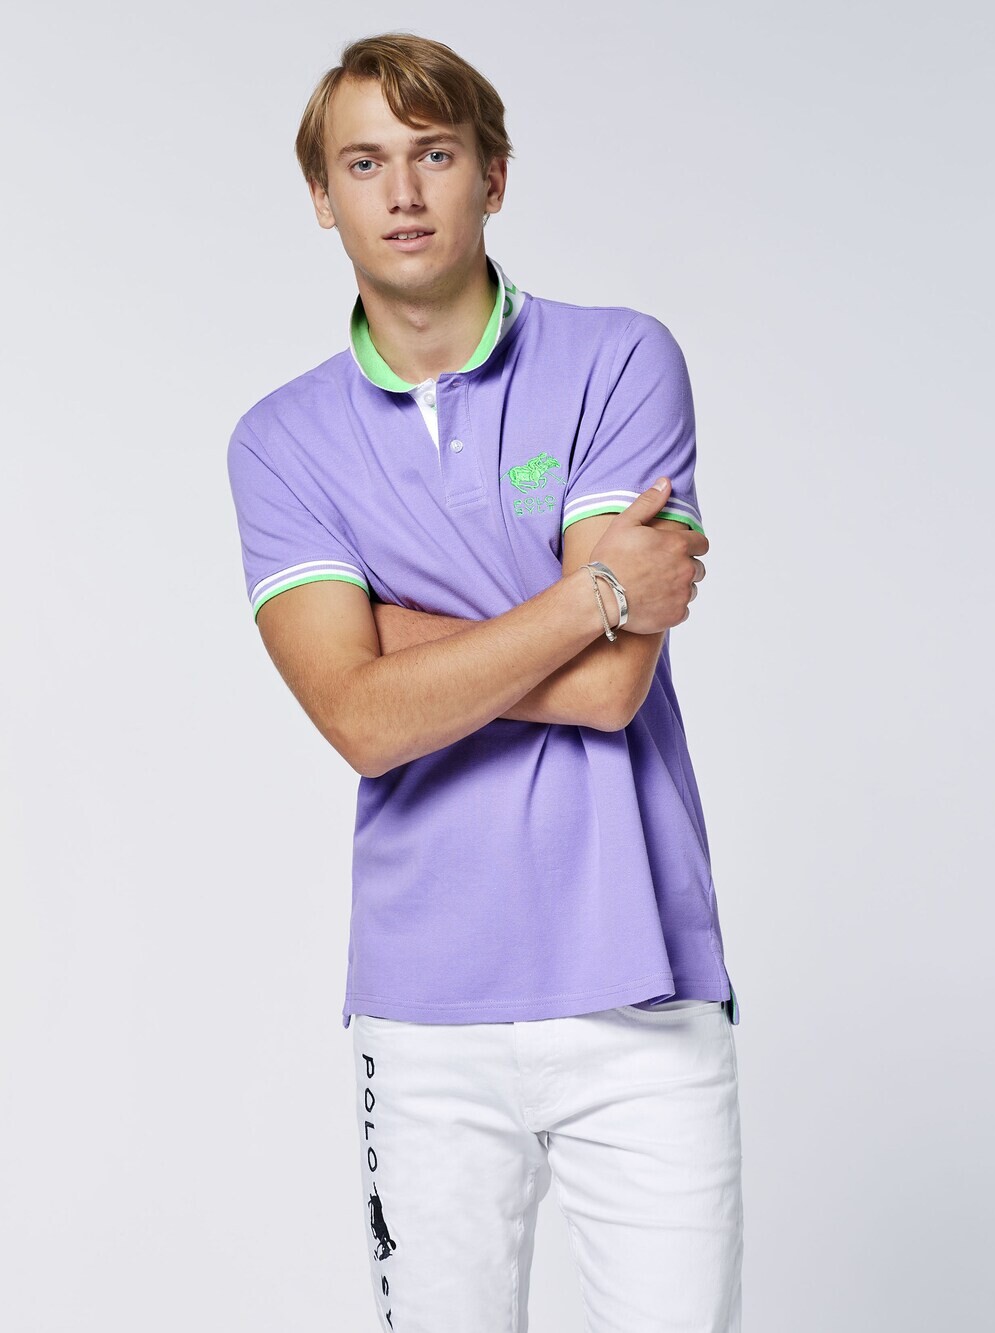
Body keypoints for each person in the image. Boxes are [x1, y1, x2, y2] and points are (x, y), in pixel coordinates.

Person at [226, 30, 743, 1333]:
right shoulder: (281, 443)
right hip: (427, 1015)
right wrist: (586, 596)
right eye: (364, 163)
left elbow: (612, 691)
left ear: (493, 176)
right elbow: (361, 722)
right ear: (322, 197)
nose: (402, 193)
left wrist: (396, 639)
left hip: (640, 989)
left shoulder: (619, 361)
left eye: (434, 154)